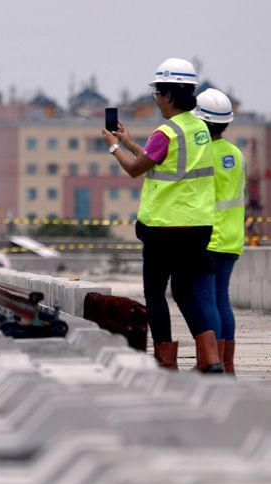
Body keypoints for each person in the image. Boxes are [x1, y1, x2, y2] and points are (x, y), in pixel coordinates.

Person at [103, 57, 222, 373]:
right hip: (198, 226)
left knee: (156, 294)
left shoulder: (165, 132)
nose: (155, 98)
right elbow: (165, 162)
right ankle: (210, 359)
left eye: (157, 93)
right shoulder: (200, 129)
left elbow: (135, 170)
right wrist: (129, 141)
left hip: (164, 228)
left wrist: (115, 148)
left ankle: (166, 362)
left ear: (168, 95)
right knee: (185, 292)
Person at [193, 88, 245, 374]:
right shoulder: (236, 154)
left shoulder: (202, 154)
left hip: (209, 238)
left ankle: (210, 362)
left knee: (207, 300)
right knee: (222, 300)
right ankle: (227, 364)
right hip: (232, 237)